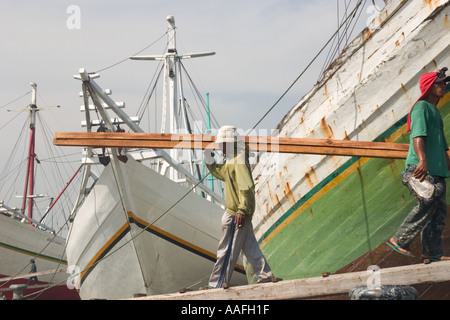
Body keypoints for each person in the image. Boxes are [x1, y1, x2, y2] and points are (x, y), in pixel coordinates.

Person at [201, 126, 279, 289]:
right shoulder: (232, 160)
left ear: (230, 144)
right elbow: (220, 173)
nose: (220, 148)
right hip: (240, 212)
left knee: (226, 250)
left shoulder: (238, 159)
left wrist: (241, 210)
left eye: (222, 145)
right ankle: (265, 275)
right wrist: (208, 158)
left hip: (235, 213)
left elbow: (246, 186)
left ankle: (218, 283)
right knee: (249, 246)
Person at [387, 67, 450, 261]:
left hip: (437, 171)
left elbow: (442, 144)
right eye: (439, 83)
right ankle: (399, 239)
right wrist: (422, 160)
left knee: (439, 210)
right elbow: (417, 135)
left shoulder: (435, 112)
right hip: (421, 169)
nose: (444, 86)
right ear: (430, 87)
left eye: (444, 83)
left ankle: (431, 251)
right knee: (428, 198)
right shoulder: (421, 107)